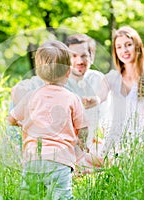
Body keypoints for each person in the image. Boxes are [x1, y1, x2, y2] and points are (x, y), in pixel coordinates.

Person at [10, 34, 109, 172]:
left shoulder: (96, 78)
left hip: (79, 146)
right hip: (54, 143)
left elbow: (106, 91)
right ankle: (18, 155)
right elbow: (16, 90)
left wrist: (96, 100)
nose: (79, 61)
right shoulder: (53, 76)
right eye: (73, 56)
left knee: (105, 158)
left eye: (84, 56)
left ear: (91, 57)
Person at [7, 40, 89, 199]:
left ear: (38, 73)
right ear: (68, 73)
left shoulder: (31, 96)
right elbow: (83, 128)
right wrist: (82, 142)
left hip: (32, 159)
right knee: (61, 196)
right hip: (60, 160)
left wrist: (21, 123)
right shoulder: (73, 98)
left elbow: (10, 119)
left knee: (30, 196)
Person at [97, 26, 144, 160]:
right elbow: (98, 99)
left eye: (128, 45)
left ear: (137, 46)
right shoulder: (112, 77)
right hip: (112, 142)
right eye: (119, 47)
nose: (124, 50)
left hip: (138, 142)